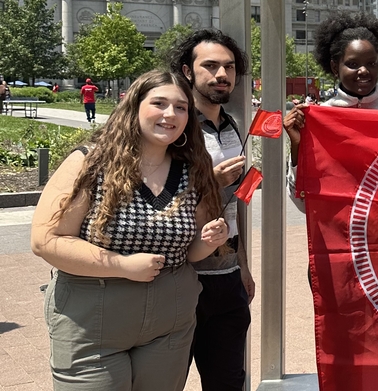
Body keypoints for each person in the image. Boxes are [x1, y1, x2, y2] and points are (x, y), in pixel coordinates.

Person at [29, 69, 229, 390]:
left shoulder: (194, 169)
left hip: (169, 322)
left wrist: (208, 242)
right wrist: (122, 265)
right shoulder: (90, 162)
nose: (170, 114)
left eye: (181, 107)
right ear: (134, 106)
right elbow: (47, 240)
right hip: (92, 321)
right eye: (159, 103)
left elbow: (190, 252)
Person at [170, 28, 254, 390]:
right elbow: (149, 197)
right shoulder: (173, 126)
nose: (221, 75)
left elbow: (236, 206)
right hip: (182, 277)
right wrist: (208, 184)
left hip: (228, 276)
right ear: (188, 71)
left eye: (229, 67)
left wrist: (244, 266)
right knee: (165, 379)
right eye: (210, 66)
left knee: (227, 381)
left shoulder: (231, 125)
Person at [283, 11, 378, 212]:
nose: (364, 71)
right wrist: (297, 146)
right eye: (353, 64)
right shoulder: (315, 121)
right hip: (336, 237)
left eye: (371, 63)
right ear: (335, 67)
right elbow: (302, 202)